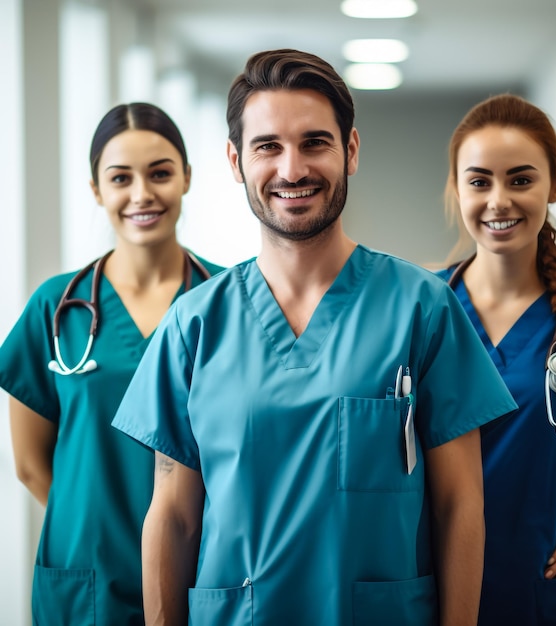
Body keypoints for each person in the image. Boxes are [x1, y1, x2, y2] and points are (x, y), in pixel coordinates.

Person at [112, 49, 517, 626]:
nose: (292, 169)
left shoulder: (422, 308)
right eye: (267, 146)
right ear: (235, 161)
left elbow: (461, 505)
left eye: (314, 142)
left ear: (350, 151)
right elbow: (173, 515)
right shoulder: (194, 325)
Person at [0, 102, 225, 625]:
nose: (142, 194)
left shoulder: (228, 302)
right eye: (120, 178)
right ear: (97, 189)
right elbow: (31, 464)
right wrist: (96, 529)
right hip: (88, 576)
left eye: (160, 173)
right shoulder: (54, 309)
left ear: (187, 178)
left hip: (202, 564)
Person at [438, 93, 556, 625]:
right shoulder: (420, 310)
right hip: (448, 594)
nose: (499, 200)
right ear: (458, 189)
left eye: (520, 179)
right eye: (480, 181)